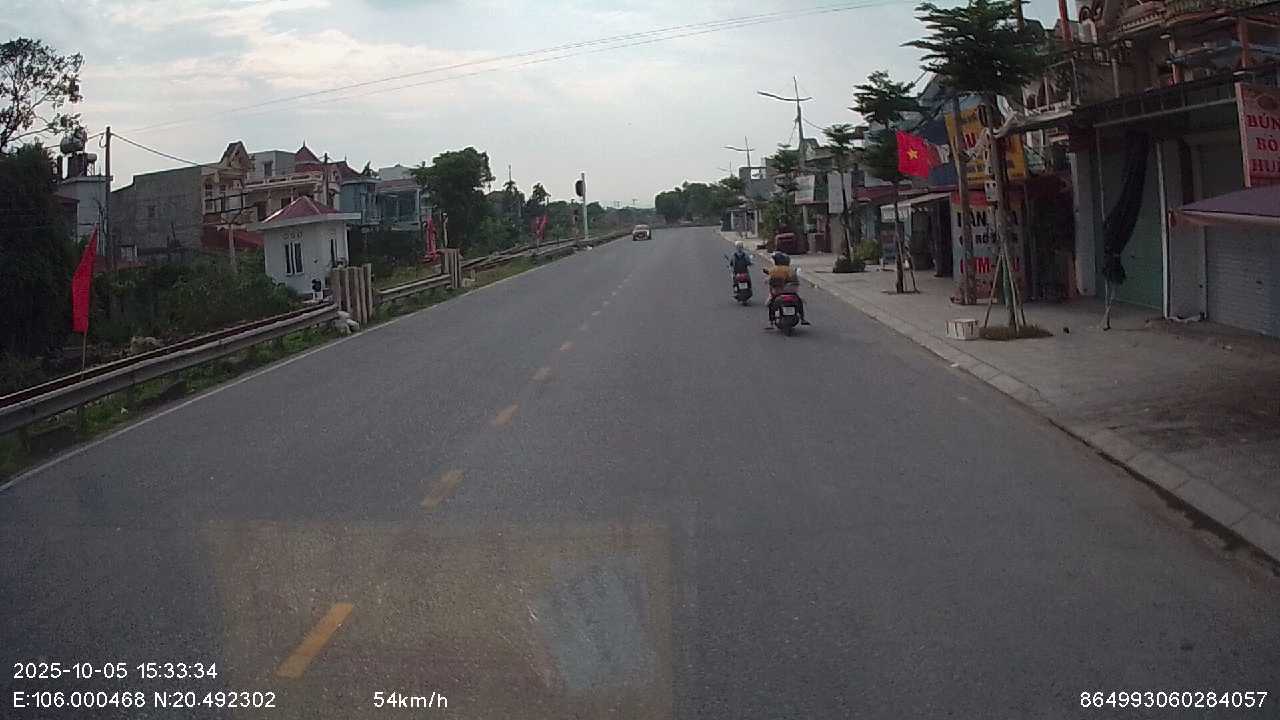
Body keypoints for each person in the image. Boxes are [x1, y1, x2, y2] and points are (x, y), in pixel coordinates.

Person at [765, 252, 809, 328]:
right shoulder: (790, 270)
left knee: (771, 303)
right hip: (791, 291)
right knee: (799, 301)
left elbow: (769, 281)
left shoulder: (773, 270)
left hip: (778, 291)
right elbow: (795, 281)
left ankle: (771, 322)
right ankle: (802, 318)